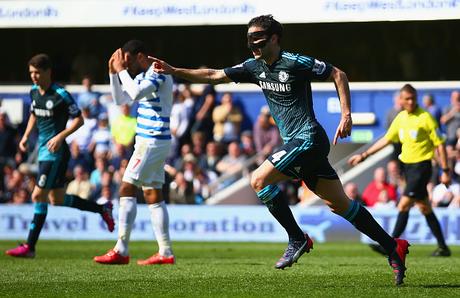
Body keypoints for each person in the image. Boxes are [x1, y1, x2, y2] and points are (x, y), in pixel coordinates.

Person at [149, 15, 409, 285]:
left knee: (258, 179)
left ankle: (297, 238)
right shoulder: (254, 67)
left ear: (275, 38)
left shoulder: (296, 62)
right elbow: (215, 75)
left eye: (258, 38)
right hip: (299, 145)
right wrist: (174, 70)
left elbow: (338, 74)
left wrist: (346, 114)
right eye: (250, 38)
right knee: (340, 205)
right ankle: (393, 247)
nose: (253, 44)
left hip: (308, 137)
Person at [5, 54, 114, 258]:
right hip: (42, 150)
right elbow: (34, 114)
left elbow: (79, 120)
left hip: (56, 152)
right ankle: (102, 209)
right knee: (56, 198)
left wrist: (60, 136)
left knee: (38, 195)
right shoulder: (34, 92)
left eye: (37, 72)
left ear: (48, 72)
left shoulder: (61, 94)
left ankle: (30, 246)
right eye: (31, 73)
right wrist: (26, 136)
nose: (34, 77)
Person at [93, 40, 175, 265]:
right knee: (152, 194)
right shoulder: (141, 76)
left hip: (151, 140)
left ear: (141, 56)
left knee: (126, 187)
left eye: (128, 61)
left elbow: (136, 94)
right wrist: (113, 74)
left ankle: (121, 249)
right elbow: (122, 99)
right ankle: (165, 251)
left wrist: (120, 71)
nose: (126, 66)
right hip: (152, 140)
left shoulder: (157, 70)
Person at [349, 84, 452, 257]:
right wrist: (364, 154)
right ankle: (443, 247)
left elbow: (440, 144)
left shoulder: (426, 117)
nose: (411, 101)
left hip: (422, 166)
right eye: (407, 99)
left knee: (404, 204)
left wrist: (445, 170)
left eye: (413, 98)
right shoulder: (401, 118)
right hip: (408, 168)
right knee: (424, 207)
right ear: (401, 100)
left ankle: (390, 244)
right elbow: (387, 139)